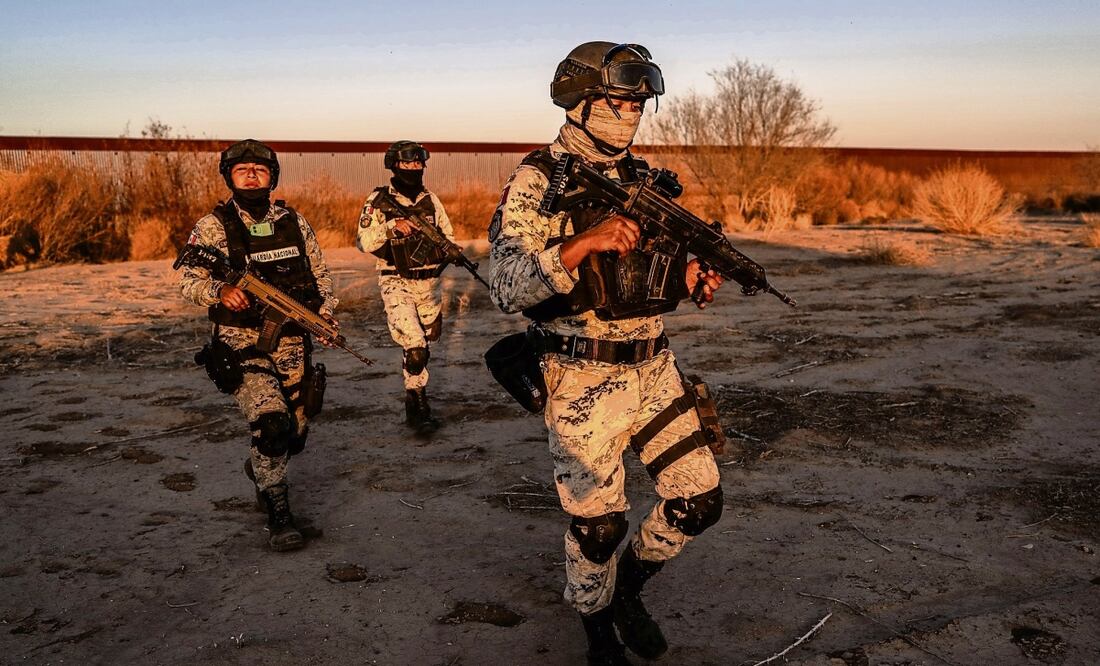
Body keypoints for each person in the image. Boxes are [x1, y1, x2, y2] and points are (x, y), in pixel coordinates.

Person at [488, 43, 727, 665]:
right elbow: (505, 286)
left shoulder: (645, 180)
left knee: (698, 501)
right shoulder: (541, 180)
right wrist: (579, 244)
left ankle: (628, 592)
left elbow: (657, 268)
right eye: (617, 100)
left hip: (654, 365)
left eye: (637, 102)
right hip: (579, 371)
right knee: (600, 528)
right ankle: (596, 635)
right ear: (581, 100)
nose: (629, 112)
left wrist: (691, 278)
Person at [178, 139, 339, 552]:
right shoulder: (212, 226)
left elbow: (320, 277)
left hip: (292, 340)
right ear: (229, 176)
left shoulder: (293, 222)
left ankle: (260, 467)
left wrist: (323, 318)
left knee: (296, 432)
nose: (251, 175)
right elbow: (187, 279)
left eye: (260, 169)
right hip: (239, 340)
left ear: (273, 176)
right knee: (272, 423)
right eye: (242, 169)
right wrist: (219, 289)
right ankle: (278, 513)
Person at [355, 140, 455, 434]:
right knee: (415, 347)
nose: (413, 168)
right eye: (406, 163)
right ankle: (419, 404)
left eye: (417, 163)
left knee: (425, 343)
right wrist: (391, 227)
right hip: (394, 278)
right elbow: (363, 242)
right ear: (393, 165)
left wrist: (448, 252)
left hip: (429, 282)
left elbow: (447, 235)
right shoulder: (378, 200)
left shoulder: (431, 200)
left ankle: (414, 393)